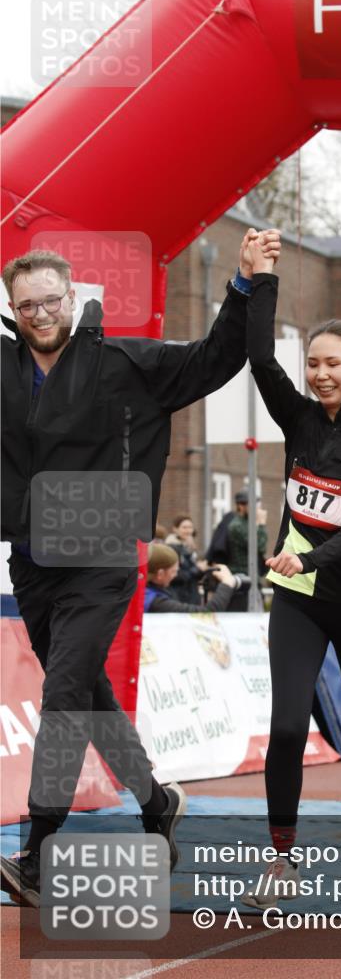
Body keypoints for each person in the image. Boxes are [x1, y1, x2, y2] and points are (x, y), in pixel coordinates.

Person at [0, 232, 280, 906]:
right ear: (12, 311)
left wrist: (244, 287)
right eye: (26, 305)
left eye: (50, 300)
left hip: (99, 558)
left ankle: (37, 853)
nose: (40, 313)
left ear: (72, 298)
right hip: (33, 562)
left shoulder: (126, 360)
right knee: (89, 691)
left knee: (64, 693)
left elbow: (217, 359)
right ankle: (156, 800)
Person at [241, 230, 341, 908]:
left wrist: (306, 552)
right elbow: (257, 358)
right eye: (312, 364)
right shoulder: (300, 420)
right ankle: (281, 864)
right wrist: (259, 278)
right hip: (301, 598)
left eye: (332, 364)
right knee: (285, 727)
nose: (319, 375)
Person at [206, 489, 268, 610]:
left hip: (252, 577)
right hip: (240, 579)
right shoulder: (236, 525)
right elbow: (260, 546)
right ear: (241, 506)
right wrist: (261, 524)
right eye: (253, 505)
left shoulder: (248, 523)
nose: (256, 508)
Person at [144, 543, 247, 613]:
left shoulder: (144, 592)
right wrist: (227, 584)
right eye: (174, 571)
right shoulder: (155, 602)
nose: (175, 575)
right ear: (160, 574)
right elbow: (206, 613)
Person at [165, 514, 206, 604]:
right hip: (179, 597)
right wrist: (197, 569)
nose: (188, 531)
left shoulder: (190, 548)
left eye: (190, 527)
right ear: (175, 529)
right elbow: (175, 576)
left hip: (192, 595)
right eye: (184, 527)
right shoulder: (171, 548)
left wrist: (203, 570)